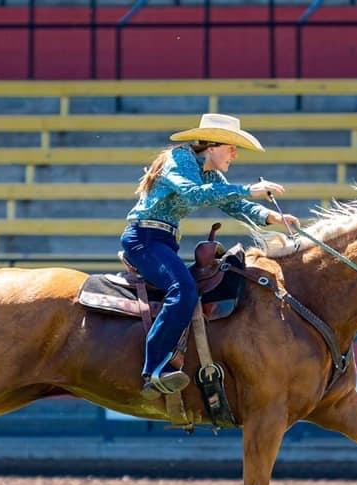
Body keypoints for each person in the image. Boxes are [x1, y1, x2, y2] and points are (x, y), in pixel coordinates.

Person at [121, 113, 299, 399]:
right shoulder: (179, 158)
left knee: (186, 289)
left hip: (161, 241)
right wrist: (249, 189)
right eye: (231, 148)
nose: (235, 155)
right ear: (213, 146)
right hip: (145, 239)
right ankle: (154, 369)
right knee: (183, 290)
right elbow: (193, 194)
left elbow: (235, 205)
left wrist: (272, 217)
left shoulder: (208, 172)